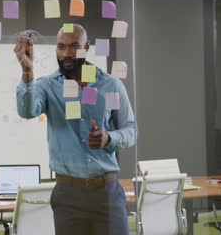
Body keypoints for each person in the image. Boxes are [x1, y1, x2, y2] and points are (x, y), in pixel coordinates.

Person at [14, 24, 136, 235]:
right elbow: (27, 111)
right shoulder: (48, 86)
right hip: (68, 195)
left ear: (86, 47)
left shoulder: (110, 85)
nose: (66, 54)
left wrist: (110, 137)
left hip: (106, 193)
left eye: (74, 47)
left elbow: (130, 130)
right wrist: (27, 72)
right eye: (61, 47)